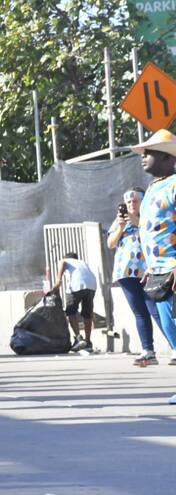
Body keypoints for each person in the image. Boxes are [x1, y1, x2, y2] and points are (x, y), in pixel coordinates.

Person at [134, 129, 176, 366]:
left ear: (168, 158)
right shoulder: (152, 188)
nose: (143, 155)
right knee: (170, 330)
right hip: (158, 271)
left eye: (149, 152)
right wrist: (149, 266)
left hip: (173, 269)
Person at [107, 188, 163, 366]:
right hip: (125, 272)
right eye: (129, 202)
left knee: (156, 310)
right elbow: (110, 243)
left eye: (135, 201)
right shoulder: (119, 222)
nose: (131, 204)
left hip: (147, 270)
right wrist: (122, 226)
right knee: (139, 312)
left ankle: (174, 346)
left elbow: (151, 232)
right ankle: (148, 351)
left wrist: (135, 221)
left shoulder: (149, 216)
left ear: (143, 202)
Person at [52, 253, 98, 352]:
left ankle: (78, 338)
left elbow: (62, 262)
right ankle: (88, 342)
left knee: (70, 311)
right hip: (92, 285)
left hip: (77, 284)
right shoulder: (82, 262)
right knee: (87, 314)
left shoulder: (66, 260)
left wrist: (58, 281)